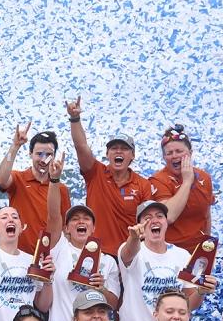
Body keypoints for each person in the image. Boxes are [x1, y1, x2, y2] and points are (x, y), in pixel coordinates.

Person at [65, 96, 157, 257]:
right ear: (107, 154)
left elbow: (147, 223)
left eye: (124, 148)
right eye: (114, 148)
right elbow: (81, 146)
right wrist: (75, 119)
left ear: (133, 155)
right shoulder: (95, 173)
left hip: (129, 256)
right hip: (96, 254)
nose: (119, 151)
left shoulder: (143, 185)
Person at [42, 155, 122, 321]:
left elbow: (113, 304)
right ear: (66, 228)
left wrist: (101, 288)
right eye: (75, 219)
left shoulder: (108, 261)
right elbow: (53, 215)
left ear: (93, 228)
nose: (81, 221)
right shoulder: (59, 248)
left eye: (86, 219)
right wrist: (54, 180)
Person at [116, 200, 214, 321]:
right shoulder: (132, 249)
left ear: (166, 222)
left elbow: (189, 304)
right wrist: (134, 238)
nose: (154, 220)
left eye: (159, 216)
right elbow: (128, 254)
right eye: (147, 218)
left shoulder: (183, 255)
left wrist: (201, 291)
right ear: (139, 225)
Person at [0, 125, 71, 254]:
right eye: (39, 154)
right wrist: (15, 146)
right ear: (30, 154)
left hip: (47, 259)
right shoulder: (18, 179)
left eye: (48, 155)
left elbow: (65, 228)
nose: (43, 160)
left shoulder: (61, 189)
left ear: (54, 156)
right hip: (18, 255)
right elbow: (1, 180)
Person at [147, 125, 213, 252]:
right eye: (169, 153)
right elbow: (169, 216)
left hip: (198, 250)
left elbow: (207, 214)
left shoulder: (204, 177)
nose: (174, 156)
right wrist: (187, 182)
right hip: (171, 251)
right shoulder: (158, 180)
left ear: (190, 153)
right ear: (164, 157)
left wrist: (206, 246)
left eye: (179, 151)